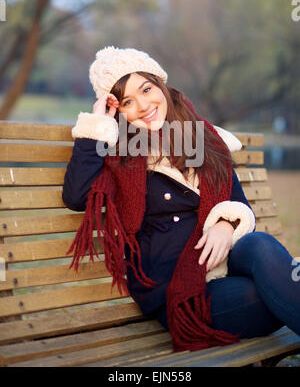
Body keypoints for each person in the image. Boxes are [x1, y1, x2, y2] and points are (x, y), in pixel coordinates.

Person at [63, 46, 300, 352]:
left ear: (160, 83)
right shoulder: (117, 152)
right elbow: (77, 196)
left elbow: (237, 202)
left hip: (227, 259)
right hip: (179, 287)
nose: (144, 105)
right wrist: (97, 125)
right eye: (127, 102)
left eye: (147, 89)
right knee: (269, 292)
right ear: (117, 110)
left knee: (261, 247)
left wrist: (225, 226)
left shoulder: (204, 138)